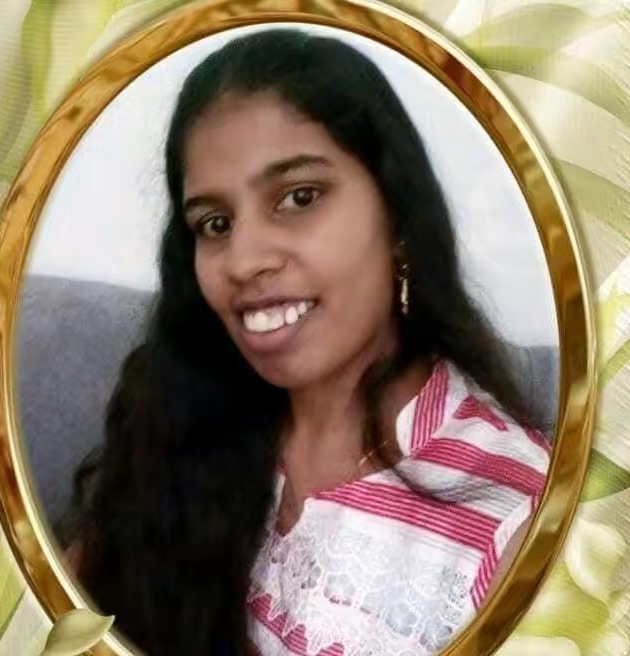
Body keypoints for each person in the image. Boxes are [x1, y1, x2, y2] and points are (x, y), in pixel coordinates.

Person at [68, 28, 551, 656]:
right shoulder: (174, 420)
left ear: (399, 219)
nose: (243, 260)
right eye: (215, 223)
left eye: (299, 197)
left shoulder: (519, 518)